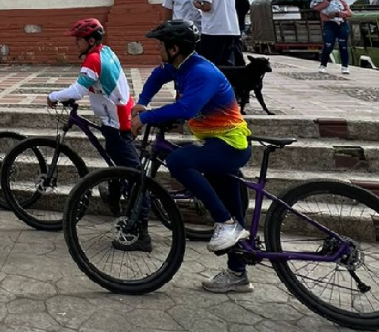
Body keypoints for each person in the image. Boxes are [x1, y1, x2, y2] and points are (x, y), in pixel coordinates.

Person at [131, 20, 253, 293]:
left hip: (229, 145)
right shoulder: (182, 65)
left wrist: (146, 118)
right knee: (232, 207)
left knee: (178, 161)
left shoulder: (201, 72)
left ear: (174, 48)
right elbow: (157, 76)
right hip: (215, 143)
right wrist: (142, 101)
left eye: (160, 45)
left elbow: (186, 108)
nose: (157, 49)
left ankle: (223, 223)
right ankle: (238, 274)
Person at [46, 18, 145, 249]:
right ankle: (118, 193)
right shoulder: (106, 51)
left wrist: (52, 96)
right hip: (120, 114)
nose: (75, 44)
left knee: (135, 177)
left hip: (117, 123)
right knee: (122, 168)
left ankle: (142, 233)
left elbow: (78, 90)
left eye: (78, 40)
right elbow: (94, 84)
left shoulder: (93, 59)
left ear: (90, 41)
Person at [312, 0, 352, 75]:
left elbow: (349, 13)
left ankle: (345, 66)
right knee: (328, 44)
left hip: (342, 24)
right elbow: (318, 8)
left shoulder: (342, 2)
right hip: (329, 24)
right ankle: (323, 65)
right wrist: (328, 1)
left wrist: (339, 14)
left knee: (343, 45)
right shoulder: (324, 2)